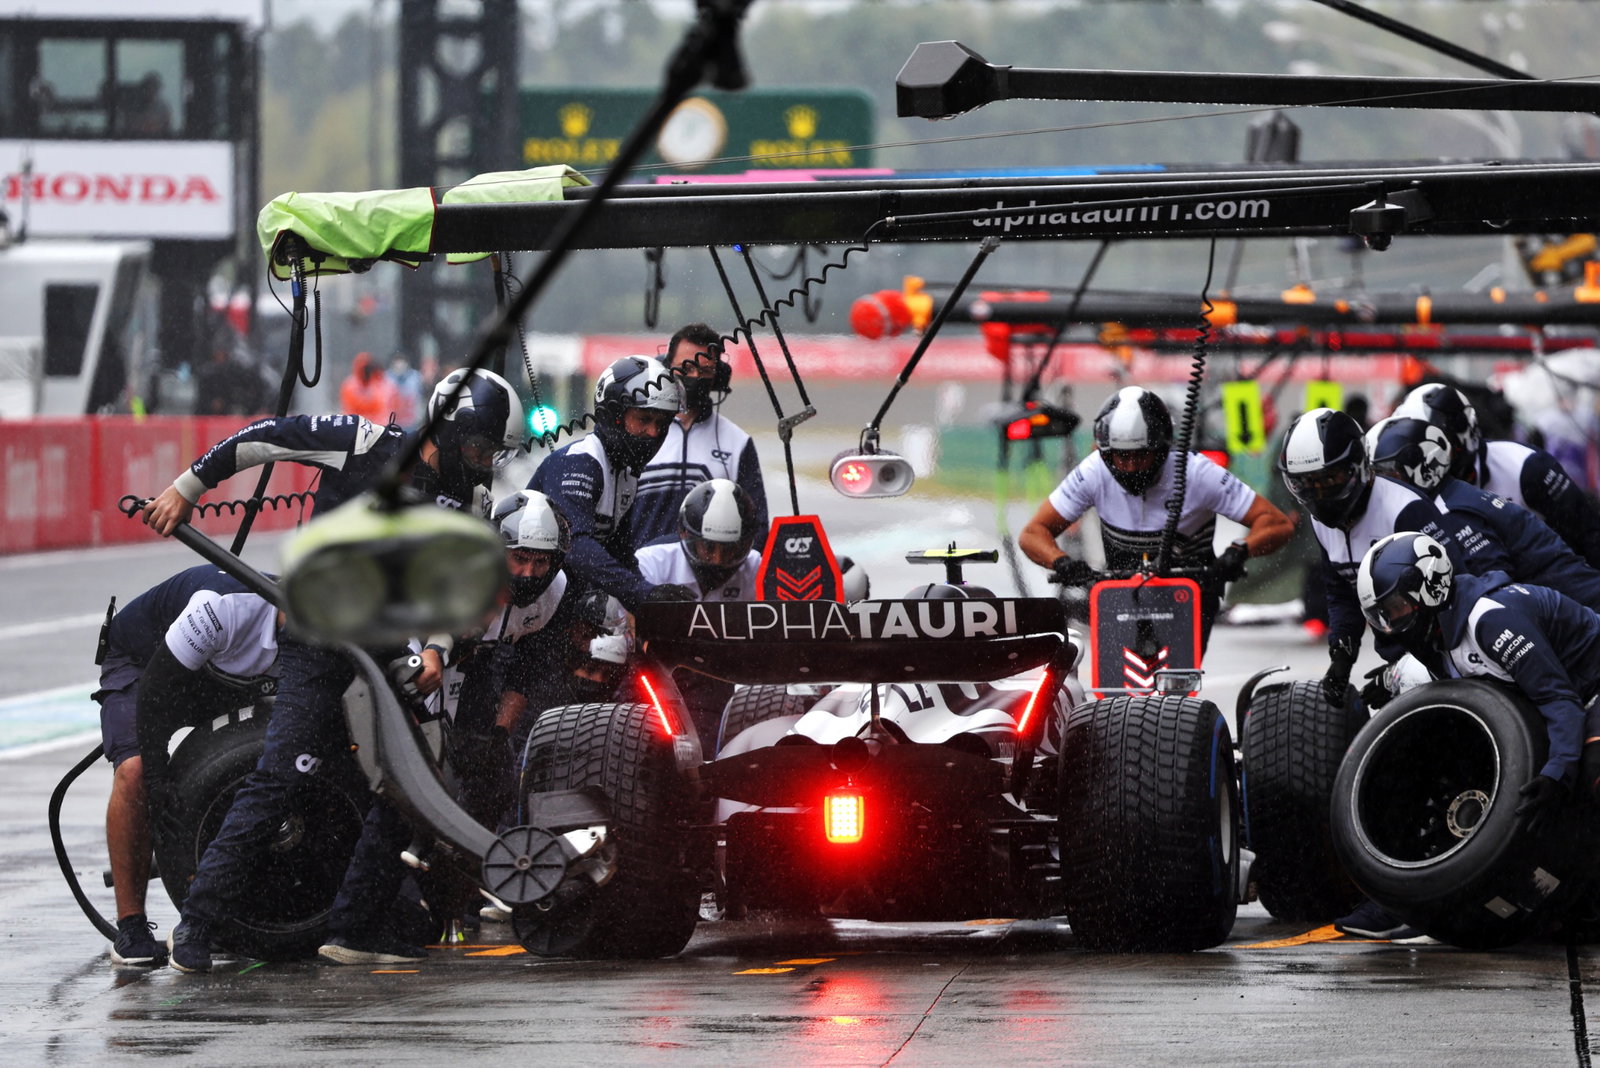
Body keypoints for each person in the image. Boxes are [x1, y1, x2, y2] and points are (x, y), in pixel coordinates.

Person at [142, 368, 526, 973]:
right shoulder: (365, 443)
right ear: (448, 432)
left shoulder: (473, 502)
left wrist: (436, 651)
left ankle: (352, 929)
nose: (485, 463)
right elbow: (263, 437)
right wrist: (188, 488)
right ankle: (198, 921)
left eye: (492, 452)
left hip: (387, 649)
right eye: (479, 448)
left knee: (409, 787)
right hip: (317, 640)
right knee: (280, 778)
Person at [1337, 531, 1600, 939]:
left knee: (1588, 770)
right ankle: (1409, 893)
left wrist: (1557, 772)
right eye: (1382, 615)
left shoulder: (1492, 620)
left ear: (1431, 586)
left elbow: (1559, 699)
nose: (1391, 623)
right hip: (1554, 699)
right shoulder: (1434, 637)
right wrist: (1390, 678)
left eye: (1397, 607)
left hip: (1587, 689)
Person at [91, 565, 279, 967]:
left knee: (261, 760)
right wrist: (158, 779)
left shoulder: (319, 630)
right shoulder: (223, 607)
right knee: (137, 771)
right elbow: (156, 696)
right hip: (145, 664)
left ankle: (224, 909)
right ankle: (131, 928)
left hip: (219, 670)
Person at [1018, 386, 1293, 651]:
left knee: (1174, 684)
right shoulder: (1094, 471)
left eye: (1141, 456)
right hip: (1120, 592)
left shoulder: (1198, 473)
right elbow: (1033, 533)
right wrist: (1063, 563)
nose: (1130, 466)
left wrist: (1238, 552)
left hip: (1191, 593)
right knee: (1117, 686)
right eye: (1120, 457)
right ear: (1104, 451)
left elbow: (1276, 522)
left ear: (1162, 449)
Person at [1365, 415, 1600, 613]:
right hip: (1562, 602)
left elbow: (1496, 589)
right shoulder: (1445, 500)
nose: (1383, 485)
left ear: (1422, 466)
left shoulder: (1451, 509)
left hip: (1576, 606)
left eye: (1389, 475)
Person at [527, 355, 681, 613]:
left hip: (555, 606)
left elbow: (619, 552)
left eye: (661, 423)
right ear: (614, 416)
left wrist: (652, 598)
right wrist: (642, 595)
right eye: (644, 419)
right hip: (526, 603)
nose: (653, 433)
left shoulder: (626, 475)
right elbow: (575, 548)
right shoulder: (581, 463)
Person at [1394, 382, 1600, 569]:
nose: (1431, 459)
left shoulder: (1525, 466)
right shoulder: (1408, 491)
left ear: (1462, 438)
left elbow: (1589, 535)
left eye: (1438, 445)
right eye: (1417, 449)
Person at [636, 478, 763, 738]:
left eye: (730, 551)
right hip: (652, 674)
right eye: (708, 548)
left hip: (718, 679)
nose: (717, 561)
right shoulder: (651, 562)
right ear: (685, 534)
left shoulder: (757, 568)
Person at [630, 324, 768, 552]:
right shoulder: (638, 432)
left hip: (709, 580)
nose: (695, 377)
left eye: (705, 371)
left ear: (719, 376)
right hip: (640, 580)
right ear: (666, 369)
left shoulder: (737, 442)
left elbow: (757, 524)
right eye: (687, 368)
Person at [193, 345, 264, 416]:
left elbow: (238, 390)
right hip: (208, 412)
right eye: (218, 354)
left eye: (222, 354)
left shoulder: (232, 372)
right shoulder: (207, 373)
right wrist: (211, 402)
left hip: (227, 410)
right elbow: (203, 395)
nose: (220, 357)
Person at [339, 351, 398, 425]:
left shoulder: (381, 383)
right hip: (358, 426)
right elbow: (350, 408)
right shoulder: (350, 385)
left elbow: (385, 405)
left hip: (377, 426)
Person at [389, 355, 426, 427]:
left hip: (412, 420)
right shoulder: (387, 377)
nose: (399, 366)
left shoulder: (416, 377)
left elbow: (421, 397)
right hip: (393, 419)